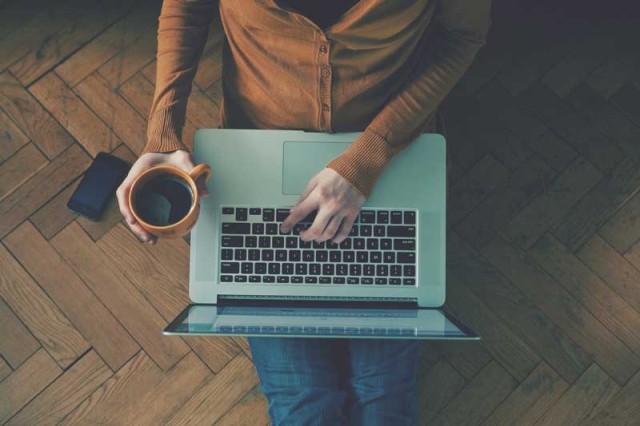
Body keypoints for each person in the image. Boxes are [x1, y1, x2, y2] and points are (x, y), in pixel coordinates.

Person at [117, 1, 491, 424]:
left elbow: (462, 35)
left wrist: (366, 159)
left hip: (391, 154)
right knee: (304, 401)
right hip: (257, 153)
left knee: (383, 396)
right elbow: (186, 8)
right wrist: (162, 133)